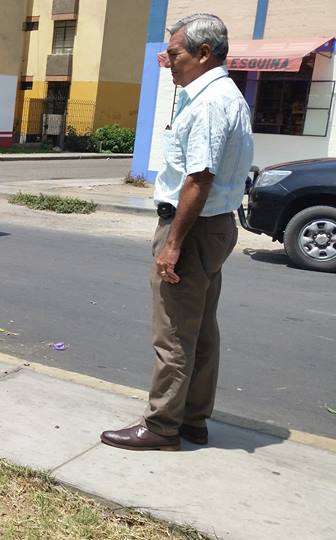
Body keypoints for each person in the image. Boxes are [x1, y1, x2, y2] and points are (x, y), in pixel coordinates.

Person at [101, 13, 253, 451]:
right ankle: (192, 420)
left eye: (175, 54)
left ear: (204, 54)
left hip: (193, 228)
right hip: (215, 227)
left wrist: (172, 244)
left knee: (173, 332)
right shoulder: (226, 95)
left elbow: (198, 180)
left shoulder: (207, 104)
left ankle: (163, 426)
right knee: (201, 329)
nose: (168, 62)